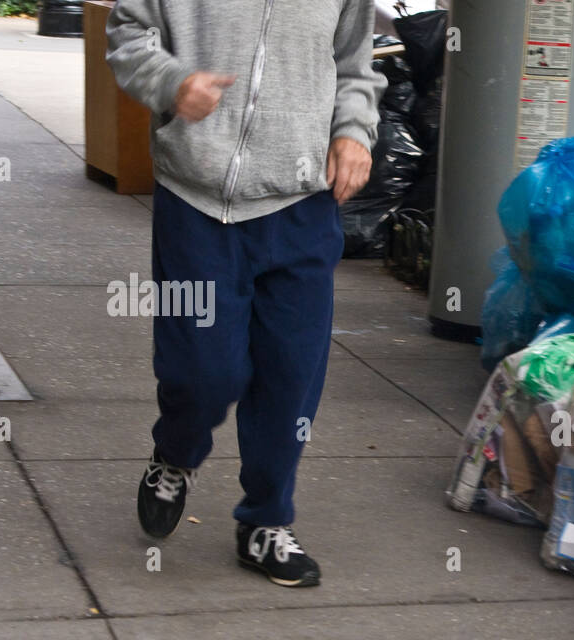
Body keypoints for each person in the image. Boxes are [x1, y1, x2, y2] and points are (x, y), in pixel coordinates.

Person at [107, 1, 386, 587]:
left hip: (302, 204)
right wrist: (172, 82)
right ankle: (175, 452)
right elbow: (127, 34)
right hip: (196, 202)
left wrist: (353, 132)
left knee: (290, 377)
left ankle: (265, 522)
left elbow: (356, 63)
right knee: (203, 374)